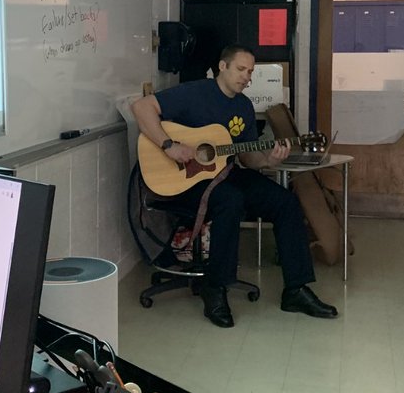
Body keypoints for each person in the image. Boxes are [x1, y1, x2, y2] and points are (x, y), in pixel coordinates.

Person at [131, 44, 338, 329]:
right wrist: (169, 146)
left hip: (223, 174)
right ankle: (215, 288)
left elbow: (248, 158)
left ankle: (296, 290)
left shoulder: (243, 106)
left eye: (250, 72)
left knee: (284, 201)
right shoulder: (194, 93)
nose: (246, 77)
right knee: (230, 201)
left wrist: (270, 158)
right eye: (241, 69)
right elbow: (141, 107)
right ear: (223, 66)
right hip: (182, 181)